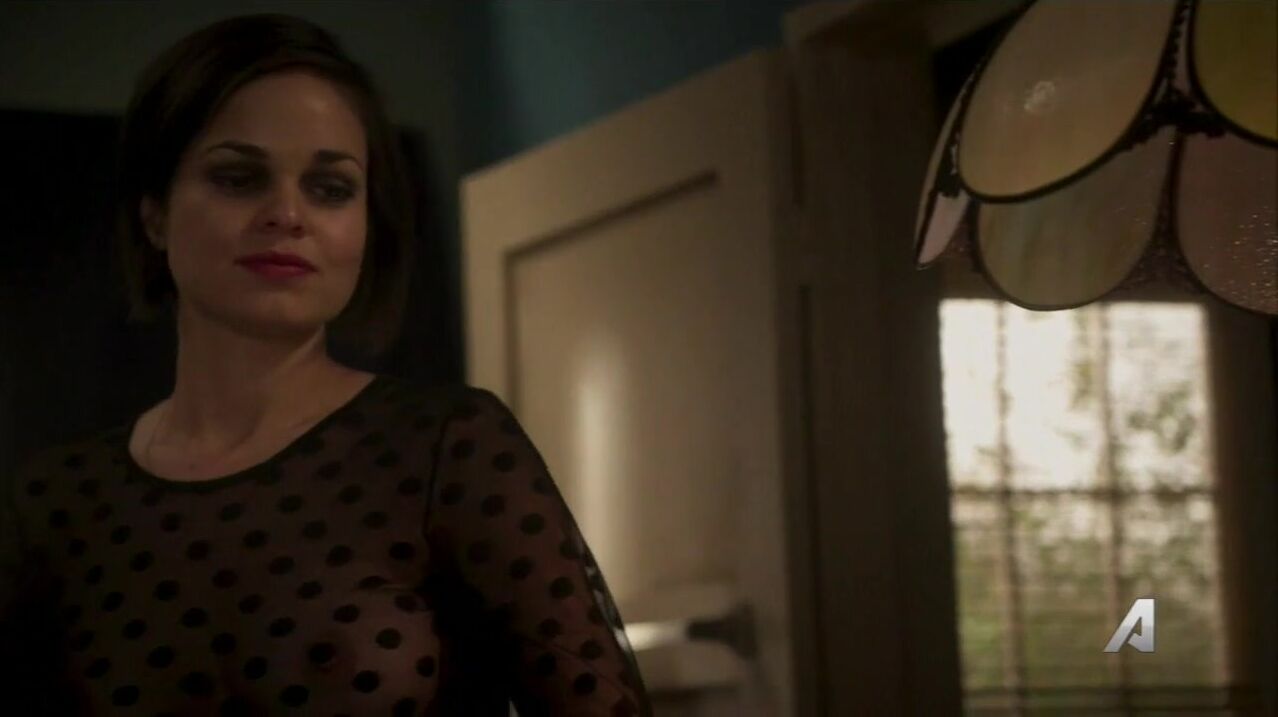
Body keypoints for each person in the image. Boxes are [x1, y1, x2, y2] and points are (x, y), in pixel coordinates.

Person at [0, 13, 651, 716]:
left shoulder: (448, 447)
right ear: (154, 214)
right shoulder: (55, 503)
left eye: (331, 188)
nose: (287, 213)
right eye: (238, 178)